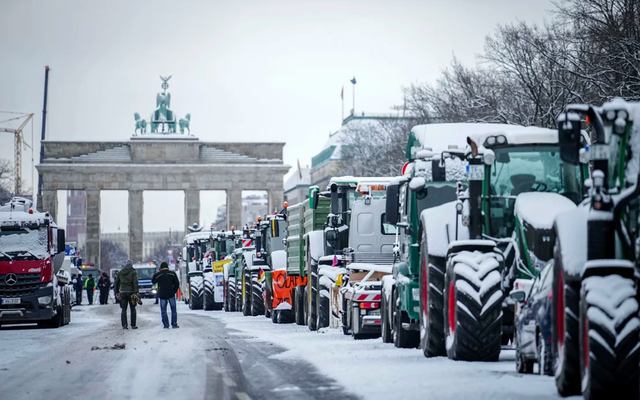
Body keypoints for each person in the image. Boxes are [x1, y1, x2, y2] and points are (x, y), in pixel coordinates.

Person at [151, 262, 180, 329]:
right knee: (173, 310)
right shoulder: (172, 274)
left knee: (163, 310)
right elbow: (177, 283)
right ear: (167, 267)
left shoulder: (158, 275)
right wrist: (174, 291)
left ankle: (166, 325)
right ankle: (174, 324)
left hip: (162, 294)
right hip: (171, 294)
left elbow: (153, 281)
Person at [115, 260, 139, 329]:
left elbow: (117, 283)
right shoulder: (133, 272)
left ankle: (124, 325)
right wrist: (136, 291)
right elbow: (135, 282)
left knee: (123, 309)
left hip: (122, 293)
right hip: (131, 292)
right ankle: (133, 325)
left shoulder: (120, 272)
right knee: (133, 309)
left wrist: (116, 291)